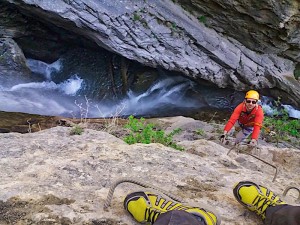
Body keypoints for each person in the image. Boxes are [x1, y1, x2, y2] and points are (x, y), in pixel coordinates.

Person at [123, 181, 300, 225]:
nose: (250, 104)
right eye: (249, 101)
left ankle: (192, 220)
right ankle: (280, 215)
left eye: (254, 102)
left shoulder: (257, 112)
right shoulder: (243, 108)